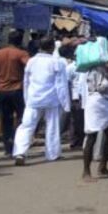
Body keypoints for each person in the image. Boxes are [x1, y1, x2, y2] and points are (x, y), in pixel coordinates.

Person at [12, 36, 69, 165]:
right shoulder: (57, 62)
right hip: (51, 99)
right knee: (52, 126)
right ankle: (53, 154)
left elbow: (26, 82)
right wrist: (66, 103)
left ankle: (20, 152)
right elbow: (61, 85)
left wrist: (27, 98)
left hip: (33, 98)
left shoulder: (32, 61)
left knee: (26, 126)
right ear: (53, 47)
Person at [80, 45, 108, 181]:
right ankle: (86, 172)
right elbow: (98, 88)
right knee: (91, 136)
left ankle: (103, 167)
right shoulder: (95, 69)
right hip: (95, 102)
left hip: (105, 103)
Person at [0, 30, 29, 156]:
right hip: (17, 89)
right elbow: (29, 67)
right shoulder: (21, 54)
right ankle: (18, 147)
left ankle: (8, 148)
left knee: (5, 119)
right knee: (22, 119)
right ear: (20, 41)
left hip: (1, 90)